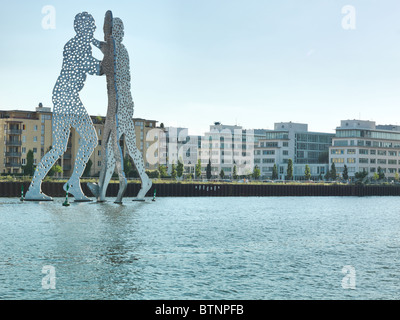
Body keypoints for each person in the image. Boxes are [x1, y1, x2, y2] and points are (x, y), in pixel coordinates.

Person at [25, 12, 103, 201]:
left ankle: (35, 188)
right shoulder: (77, 45)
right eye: (90, 26)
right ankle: (72, 183)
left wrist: (100, 46)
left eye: (93, 26)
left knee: (60, 147)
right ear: (82, 28)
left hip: (63, 96)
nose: (93, 29)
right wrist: (110, 54)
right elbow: (96, 68)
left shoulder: (77, 43)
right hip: (67, 97)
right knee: (91, 139)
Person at [88, 14, 152, 203]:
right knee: (130, 147)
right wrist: (92, 40)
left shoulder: (117, 51)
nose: (108, 35)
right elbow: (103, 49)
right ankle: (145, 181)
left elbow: (101, 67)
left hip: (120, 107)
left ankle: (102, 193)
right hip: (121, 105)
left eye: (109, 31)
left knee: (110, 147)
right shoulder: (117, 50)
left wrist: (89, 41)